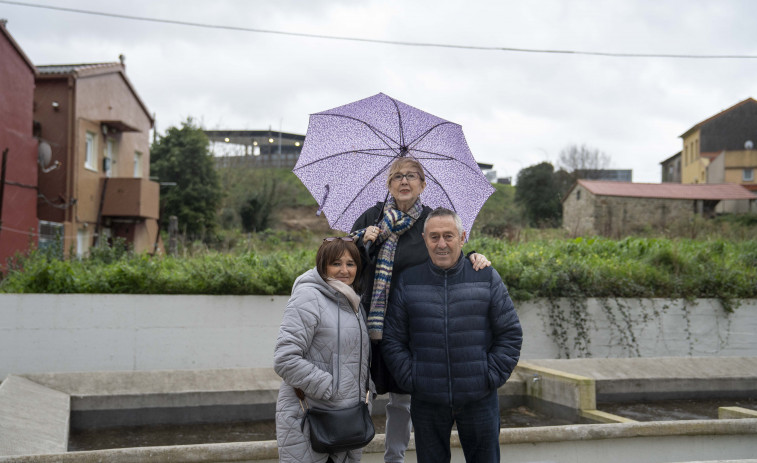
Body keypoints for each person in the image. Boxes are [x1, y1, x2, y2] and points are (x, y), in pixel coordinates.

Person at [351, 157, 491, 463]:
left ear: (423, 185)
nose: (404, 181)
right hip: (366, 322)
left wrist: (475, 257)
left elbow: (449, 253)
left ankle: (394, 459)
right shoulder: (371, 217)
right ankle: (351, 457)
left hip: (409, 327)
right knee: (359, 397)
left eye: (411, 176)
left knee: (402, 400)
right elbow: (346, 262)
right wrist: (362, 242)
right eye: (397, 177)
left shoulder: (430, 221)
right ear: (388, 185)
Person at [382, 208, 523, 463]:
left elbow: (510, 333)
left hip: (479, 398)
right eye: (434, 237)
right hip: (427, 399)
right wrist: (413, 378)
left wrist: (488, 376)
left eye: (449, 236)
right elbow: (393, 339)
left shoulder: (485, 275)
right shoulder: (408, 281)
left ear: (462, 237)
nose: (441, 244)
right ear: (424, 239)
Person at [274, 236, 371, 463]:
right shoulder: (308, 297)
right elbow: (285, 358)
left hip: (347, 419)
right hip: (311, 417)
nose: (344, 270)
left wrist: (366, 390)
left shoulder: (353, 302)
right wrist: (329, 388)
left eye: (351, 263)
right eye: (336, 263)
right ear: (322, 265)